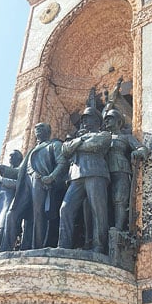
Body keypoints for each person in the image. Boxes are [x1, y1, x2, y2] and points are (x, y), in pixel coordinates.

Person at [0, 122, 65, 251]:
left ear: (48, 131)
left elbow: (62, 163)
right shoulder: (31, 152)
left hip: (40, 182)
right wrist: (0, 167)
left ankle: (37, 248)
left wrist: (51, 177)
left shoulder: (54, 145)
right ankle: (4, 250)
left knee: (38, 214)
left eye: (41, 128)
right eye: (36, 129)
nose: (38, 130)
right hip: (25, 185)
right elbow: (19, 172)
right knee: (12, 214)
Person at [57, 107, 112, 253]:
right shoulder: (79, 137)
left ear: (96, 120)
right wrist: (81, 139)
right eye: (83, 119)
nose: (84, 121)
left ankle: (99, 246)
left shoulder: (105, 135)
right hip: (76, 177)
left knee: (98, 211)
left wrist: (76, 144)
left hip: (96, 173)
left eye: (87, 118)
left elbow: (95, 145)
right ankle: (63, 246)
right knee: (65, 209)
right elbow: (65, 150)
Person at [102, 108, 148, 232]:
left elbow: (142, 148)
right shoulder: (101, 136)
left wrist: (137, 152)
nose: (106, 121)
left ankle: (118, 228)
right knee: (103, 201)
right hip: (103, 172)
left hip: (120, 170)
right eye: (105, 119)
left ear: (118, 121)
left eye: (109, 118)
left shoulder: (126, 137)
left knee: (119, 199)